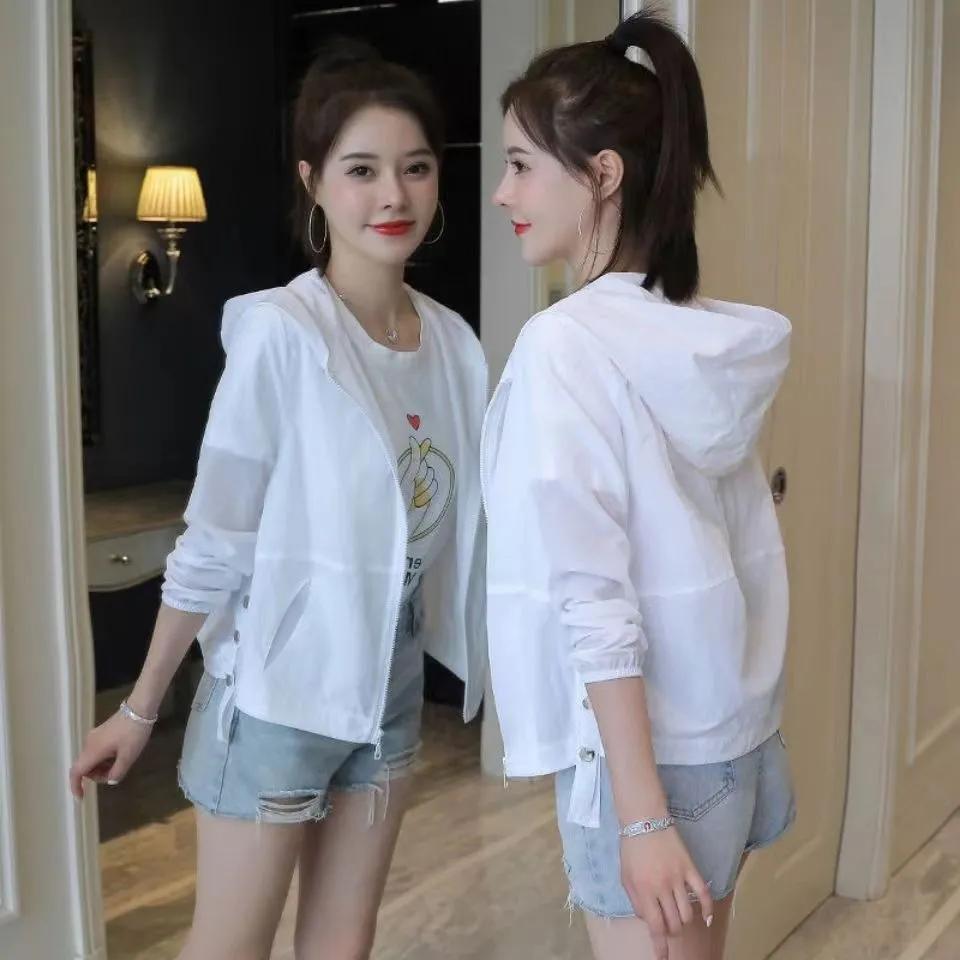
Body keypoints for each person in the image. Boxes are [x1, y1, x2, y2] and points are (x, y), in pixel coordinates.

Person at [70, 40, 487, 960]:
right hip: (274, 697)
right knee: (230, 948)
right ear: (313, 182)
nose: (394, 195)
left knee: (343, 944)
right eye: (362, 169)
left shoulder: (455, 345)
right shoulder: (282, 333)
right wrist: (140, 708)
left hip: (388, 685)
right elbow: (216, 538)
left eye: (416, 168)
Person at [483, 11, 794, 960]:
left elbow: (593, 597)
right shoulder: (687, 336)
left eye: (521, 164)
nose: (502, 193)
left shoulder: (567, 346)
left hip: (646, 763)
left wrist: (643, 817)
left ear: (603, 174)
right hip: (730, 740)